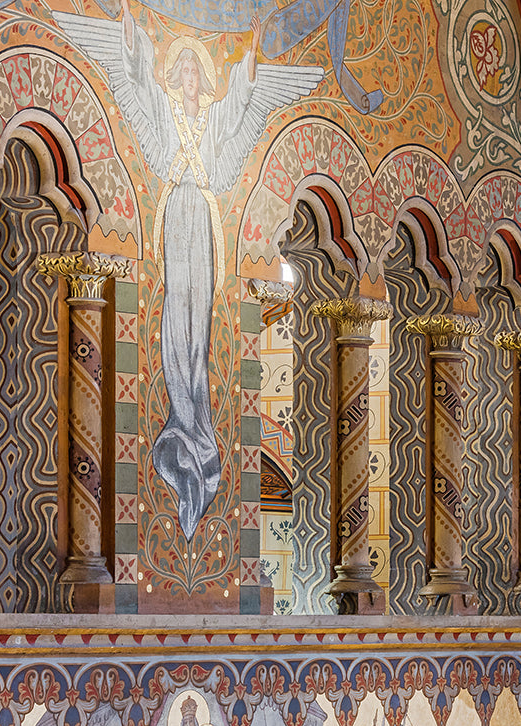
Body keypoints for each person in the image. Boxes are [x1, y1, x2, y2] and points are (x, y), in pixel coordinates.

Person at [52, 1, 323, 539]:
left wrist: (252, 53)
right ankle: (180, 422)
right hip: (176, 214)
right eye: (185, 70)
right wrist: (129, 27)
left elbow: (242, 100)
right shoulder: (164, 111)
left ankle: (199, 427)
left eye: (198, 70)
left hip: (205, 224)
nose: (192, 77)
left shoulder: (214, 120)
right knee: (176, 317)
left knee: (203, 326)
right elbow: (135, 74)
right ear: (176, 77)